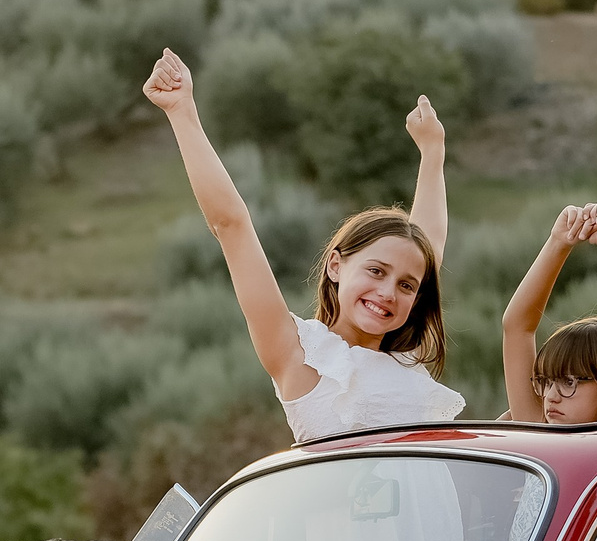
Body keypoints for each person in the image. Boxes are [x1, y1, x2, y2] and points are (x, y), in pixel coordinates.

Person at [142, 48, 462, 441]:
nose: (387, 292)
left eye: (406, 285)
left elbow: (428, 246)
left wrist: (433, 152)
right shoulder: (295, 352)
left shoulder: (406, 362)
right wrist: (181, 112)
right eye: (376, 271)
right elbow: (231, 225)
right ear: (335, 266)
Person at [500, 201, 597, 425]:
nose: (551, 397)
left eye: (569, 381)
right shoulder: (541, 426)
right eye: (546, 381)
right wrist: (558, 242)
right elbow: (516, 328)